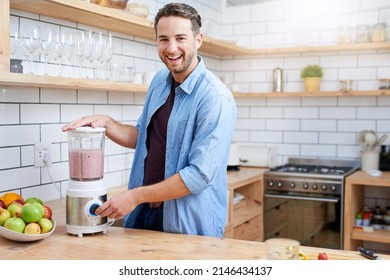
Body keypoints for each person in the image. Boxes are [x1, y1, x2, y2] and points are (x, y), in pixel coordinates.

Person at [62, 3, 237, 238]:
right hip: (143, 214)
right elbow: (143, 136)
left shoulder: (215, 98)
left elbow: (198, 176)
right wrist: (107, 123)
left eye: (180, 38)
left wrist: (135, 196)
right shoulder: (159, 82)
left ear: (198, 39)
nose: (171, 48)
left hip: (186, 225)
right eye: (163, 39)